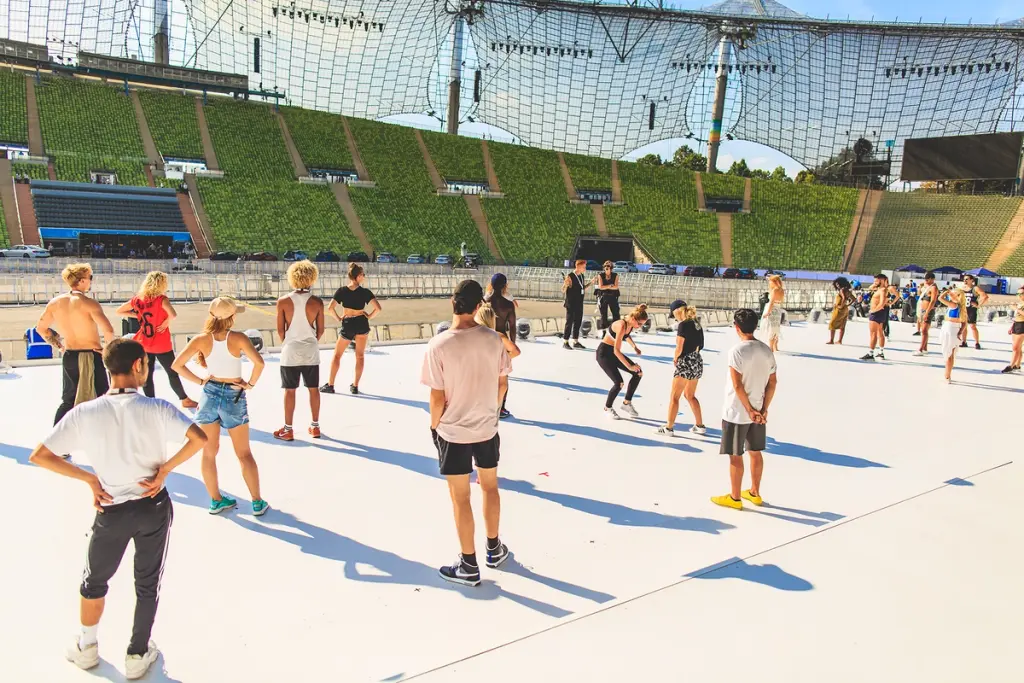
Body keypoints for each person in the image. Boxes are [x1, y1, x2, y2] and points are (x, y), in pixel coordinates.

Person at [28, 338, 207, 680]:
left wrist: (90, 480)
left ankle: (87, 646)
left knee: (94, 581)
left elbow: (41, 455)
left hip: (110, 510)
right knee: (147, 583)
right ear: (140, 364)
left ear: (108, 369)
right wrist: (165, 470)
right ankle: (137, 654)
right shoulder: (157, 408)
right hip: (152, 507)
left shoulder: (85, 412)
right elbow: (198, 439)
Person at [421, 280, 512, 586]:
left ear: (452, 303)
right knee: (489, 487)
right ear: (477, 307)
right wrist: (494, 410)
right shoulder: (493, 340)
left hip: (454, 430)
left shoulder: (439, 345)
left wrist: (435, 426)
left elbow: (436, 397)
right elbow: (502, 383)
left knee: (460, 497)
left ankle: (468, 564)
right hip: (486, 427)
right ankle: (494, 548)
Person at [171, 298, 269, 516]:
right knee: (243, 453)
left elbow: (177, 365)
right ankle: (256, 502)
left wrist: (200, 382)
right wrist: (249, 384)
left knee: (208, 452)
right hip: (233, 395)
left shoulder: (201, 339)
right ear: (232, 317)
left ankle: (216, 500)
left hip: (209, 394)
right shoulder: (239, 338)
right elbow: (259, 363)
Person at [36, 263, 116, 429]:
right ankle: (106, 438)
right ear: (81, 281)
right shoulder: (89, 303)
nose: (91, 282)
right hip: (91, 354)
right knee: (103, 396)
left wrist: (59, 345)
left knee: (68, 400)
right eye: (90, 278)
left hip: (70, 354)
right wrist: (106, 349)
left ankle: (55, 444)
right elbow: (108, 330)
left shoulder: (55, 303)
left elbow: (41, 329)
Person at [712, 309, 778, 510]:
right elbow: (772, 383)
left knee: (735, 455)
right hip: (759, 409)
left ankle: (734, 497)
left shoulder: (737, 351)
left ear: (736, 327)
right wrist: (763, 409)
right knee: (755, 452)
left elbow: (737, 385)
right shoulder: (766, 350)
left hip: (736, 411)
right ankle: (754, 492)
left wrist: (748, 409)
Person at [116, 271, 197, 409]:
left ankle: (150, 401)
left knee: (147, 374)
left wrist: (138, 316)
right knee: (172, 372)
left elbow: (120, 311)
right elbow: (173, 314)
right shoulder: (161, 299)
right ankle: (184, 399)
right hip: (161, 342)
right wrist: (166, 322)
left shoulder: (137, 299)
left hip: (144, 341)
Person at [274, 260, 325, 441]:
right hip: (311, 348)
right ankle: (315, 426)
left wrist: (288, 341)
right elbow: (320, 330)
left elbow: (281, 330)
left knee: (289, 390)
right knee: (313, 389)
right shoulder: (317, 302)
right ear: (312, 278)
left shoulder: (283, 301)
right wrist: (311, 341)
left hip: (290, 349)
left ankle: (288, 429)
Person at [321, 263, 381, 395]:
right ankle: (355, 386)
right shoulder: (365, 292)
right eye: (363, 275)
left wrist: (339, 318)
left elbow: (330, 308)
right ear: (358, 276)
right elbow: (378, 308)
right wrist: (369, 316)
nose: (364, 277)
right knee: (359, 356)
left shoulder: (342, 291)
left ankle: (330, 385)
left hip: (348, 323)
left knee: (337, 355)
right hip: (362, 323)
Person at [657, 300, 705, 436]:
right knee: (690, 395)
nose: (675, 317)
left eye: (674, 314)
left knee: (674, 396)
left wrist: (676, 358)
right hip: (697, 359)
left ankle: (669, 428)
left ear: (677, 310)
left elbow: (679, 346)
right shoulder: (696, 323)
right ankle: (700, 425)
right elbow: (701, 344)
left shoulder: (683, 325)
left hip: (686, 360)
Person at [596, 303, 647, 420]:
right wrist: (629, 366)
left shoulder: (630, 325)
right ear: (633, 318)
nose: (639, 327)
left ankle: (626, 403)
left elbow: (626, 336)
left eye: (642, 325)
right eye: (639, 324)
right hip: (604, 354)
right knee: (619, 383)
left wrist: (634, 346)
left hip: (612, 353)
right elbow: (617, 350)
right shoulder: (621, 325)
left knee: (638, 372)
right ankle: (607, 408)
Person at [475, 300, 522, 416]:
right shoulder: (497, 336)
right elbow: (516, 351)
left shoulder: (471, 336)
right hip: (493, 380)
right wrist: (503, 359)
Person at [485, 273, 517, 419]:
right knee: (502, 378)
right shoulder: (508, 305)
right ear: (505, 286)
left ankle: (486, 405)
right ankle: (501, 408)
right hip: (502, 342)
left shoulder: (484, 303)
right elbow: (513, 327)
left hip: (484, 341)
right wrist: (513, 345)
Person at [939, 284, 967, 383]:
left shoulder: (953, 305)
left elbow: (940, 298)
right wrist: (960, 332)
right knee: (952, 353)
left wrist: (947, 292)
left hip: (949, 328)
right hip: (955, 329)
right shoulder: (962, 307)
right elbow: (964, 323)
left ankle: (947, 374)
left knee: (947, 353)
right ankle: (948, 374)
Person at [861, 274, 889, 361]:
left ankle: (871, 353)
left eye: (876, 280)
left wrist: (873, 311)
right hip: (879, 313)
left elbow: (882, 304)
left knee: (873, 334)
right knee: (880, 333)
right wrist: (876, 283)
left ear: (882, 280)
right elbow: (870, 288)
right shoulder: (880, 289)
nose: (874, 282)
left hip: (876, 313)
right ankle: (880, 352)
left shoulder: (882, 290)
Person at [561, 259, 588, 350]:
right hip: (571, 303)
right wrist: (565, 285)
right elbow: (563, 290)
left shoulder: (581, 276)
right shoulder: (570, 276)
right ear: (578, 266)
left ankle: (575, 341)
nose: (585, 268)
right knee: (569, 322)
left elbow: (582, 288)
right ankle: (565, 341)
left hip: (579, 303)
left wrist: (590, 283)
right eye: (584, 267)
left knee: (578, 322)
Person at [959, 274, 989, 350]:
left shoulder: (975, 288)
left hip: (971, 310)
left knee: (972, 326)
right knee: (963, 326)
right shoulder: (962, 288)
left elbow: (985, 296)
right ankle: (964, 341)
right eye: (964, 279)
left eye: (967, 279)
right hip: (963, 309)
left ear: (972, 280)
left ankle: (977, 342)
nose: (965, 281)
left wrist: (978, 305)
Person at [913, 272, 940, 354]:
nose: (925, 280)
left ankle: (921, 349)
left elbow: (933, 301)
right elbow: (919, 295)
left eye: (927, 279)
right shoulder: (926, 287)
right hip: (922, 309)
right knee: (924, 330)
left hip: (928, 310)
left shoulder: (933, 288)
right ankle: (925, 348)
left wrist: (927, 312)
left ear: (932, 279)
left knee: (924, 330)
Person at [592, 261, 620, 330]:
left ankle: (616, 329)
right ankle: (604, 329)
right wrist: (610, 286)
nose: (607, 268)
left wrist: (606, 286)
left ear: (611, 268)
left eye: (608, 266)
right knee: (603, 314)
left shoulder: (615, 275)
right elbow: (601, 287)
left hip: (613, 296)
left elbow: (616, 287)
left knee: (616, 313)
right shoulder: (600, 275)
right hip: (603, 296)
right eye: (605, 266)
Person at [1002, 285, 1024, 374]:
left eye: (1021, 293)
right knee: (1018, 347)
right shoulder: (1020, 303)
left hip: (1022, 324)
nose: (1019, 295)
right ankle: (1017, 364)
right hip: (1017, 324)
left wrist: (1016, 309)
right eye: (1017, 293)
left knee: (1015, 347)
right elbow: (1016, 316)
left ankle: (1011, 365)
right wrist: (1012, 326)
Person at [827, 277, 856, 345]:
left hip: (839, 309)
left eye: (838, 284)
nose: (837, 285)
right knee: (842, 325)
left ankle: (831, 340)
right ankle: (840, 340)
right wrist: (847, 305)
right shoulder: (847, 290)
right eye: (836, 284)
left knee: (832, 324)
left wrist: (841, 305)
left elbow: (844, 298)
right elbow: (854, 299)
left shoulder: (842, 290)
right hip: (845, 309)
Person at [760, 274, 784, 352]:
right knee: (776, 328)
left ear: (775, 281)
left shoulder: (774, 290)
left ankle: (771, 348)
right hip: (778, 310)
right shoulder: (781, 290)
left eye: (770, 282)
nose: (769, 283)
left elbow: (771, 303)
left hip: (772, 310)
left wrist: (767, 313)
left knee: (771, 329)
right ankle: (775, 347)